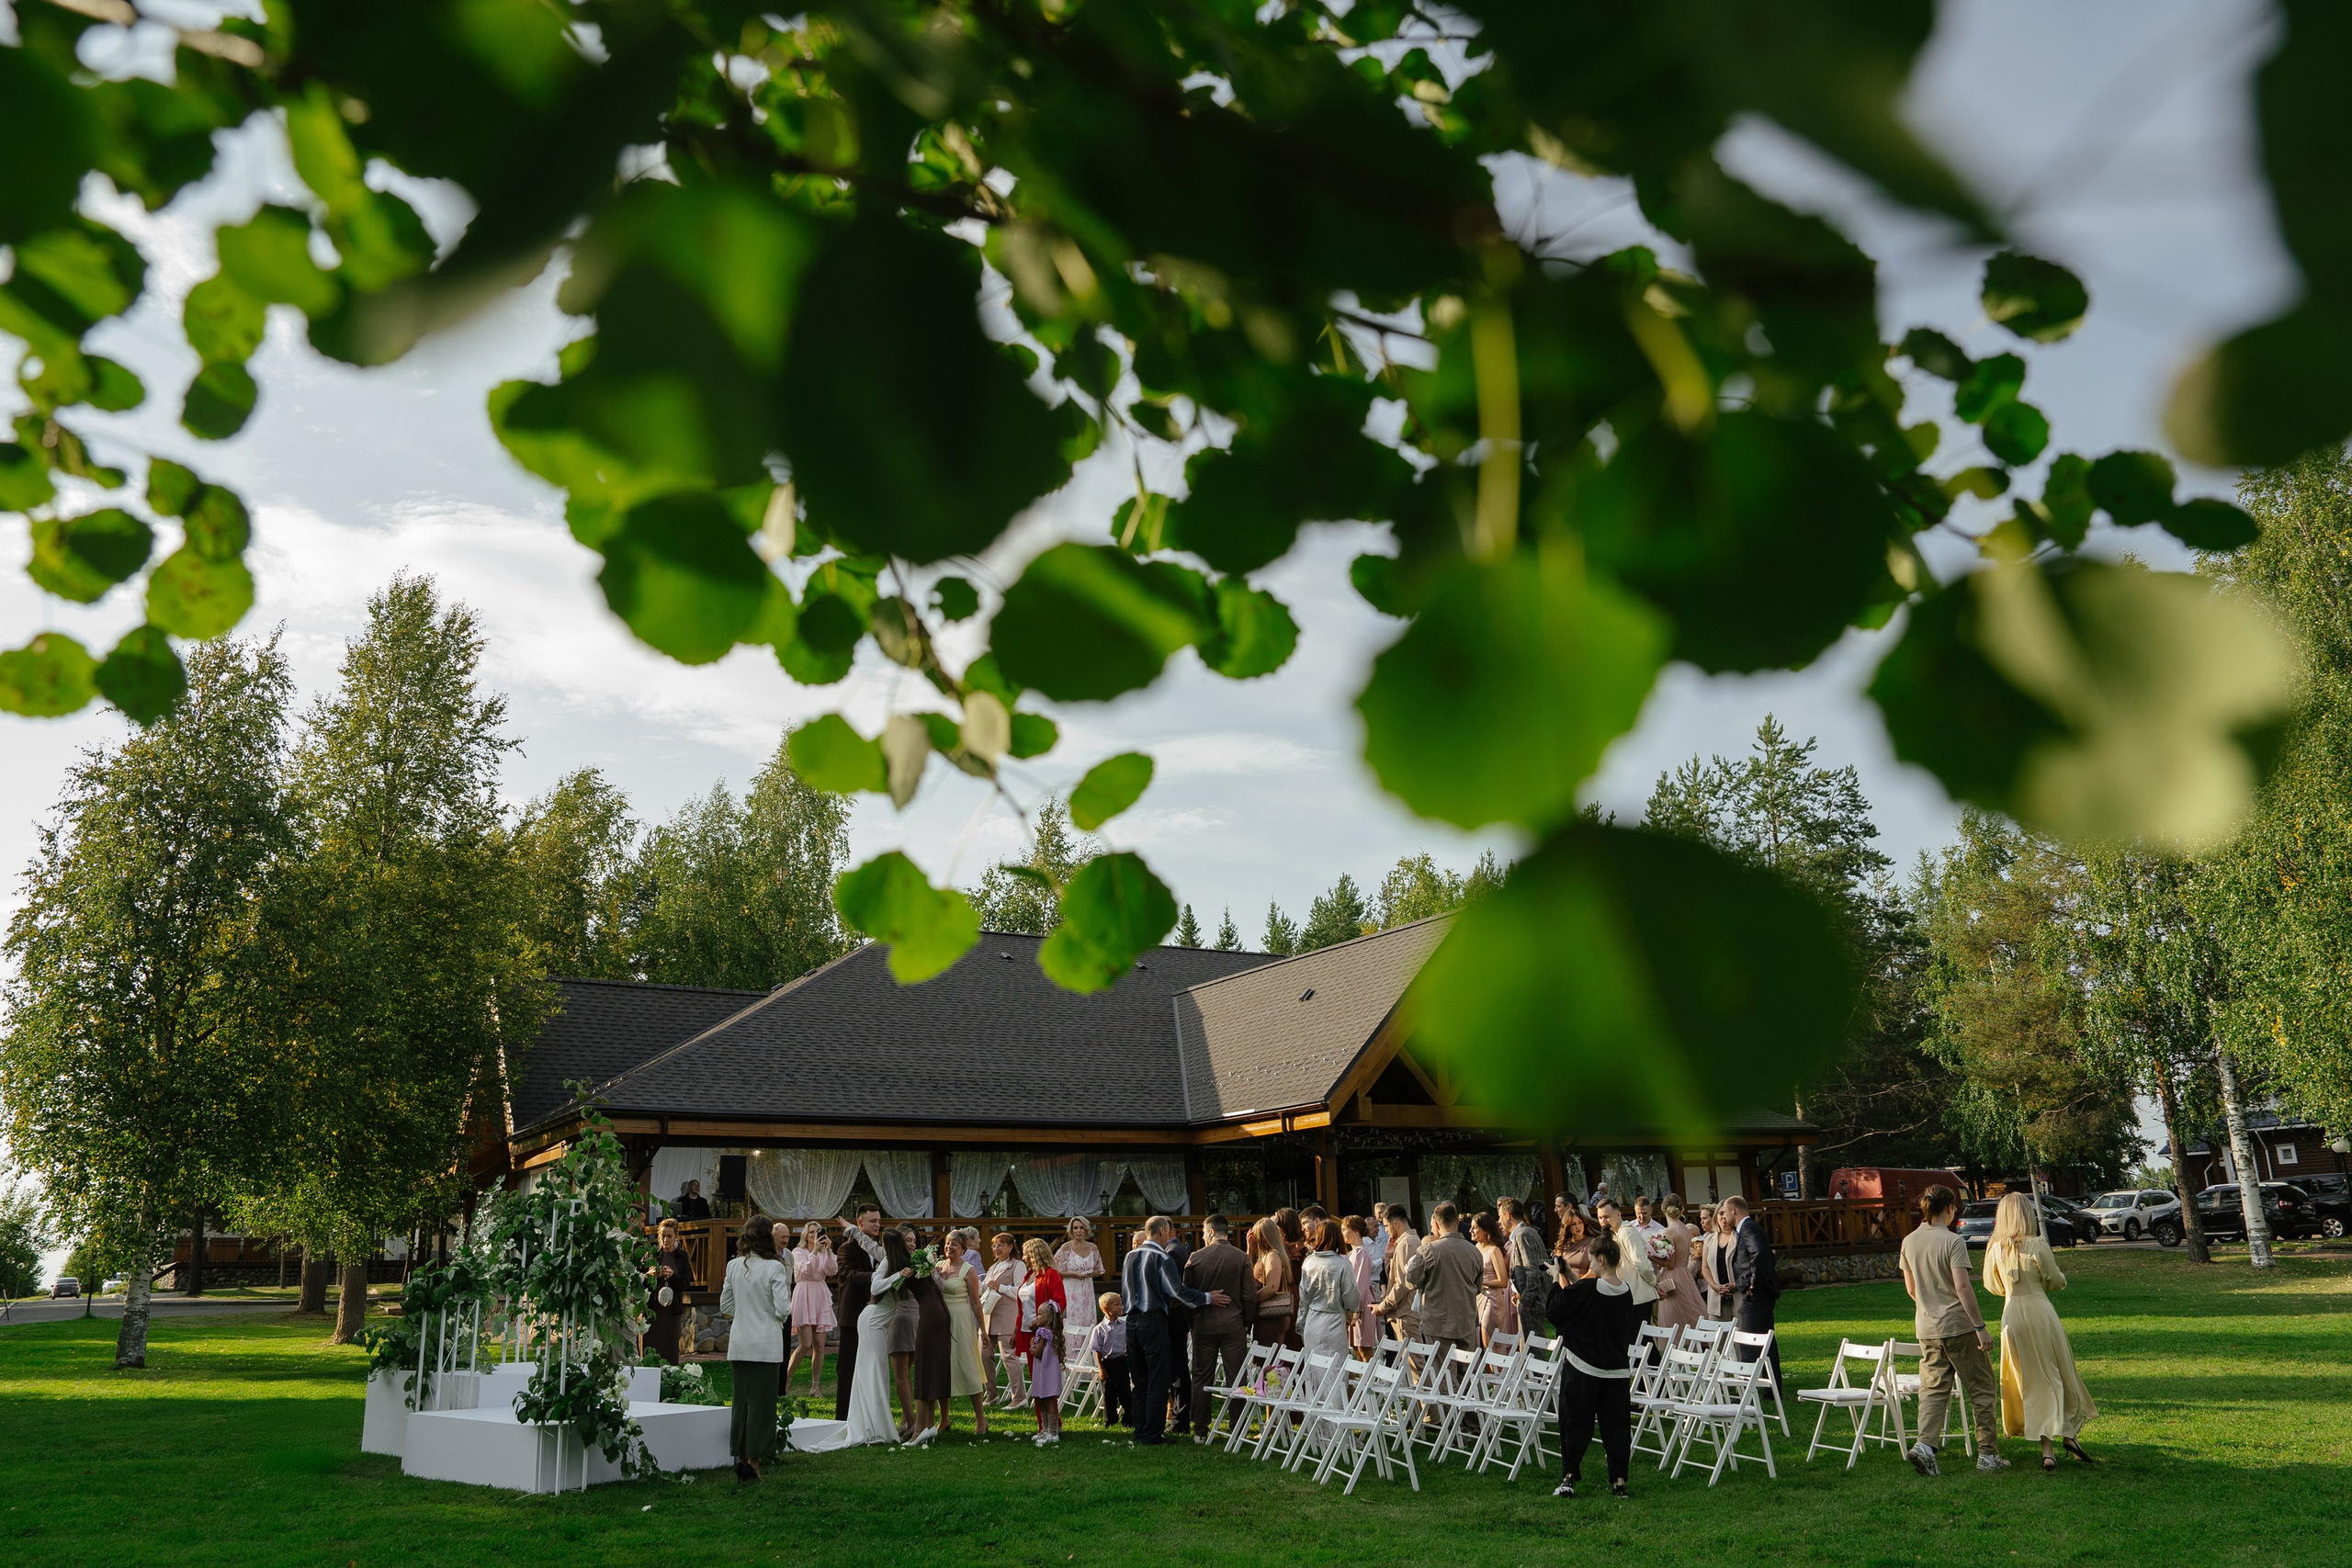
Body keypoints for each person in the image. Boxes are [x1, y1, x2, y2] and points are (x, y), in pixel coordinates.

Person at [1984, 1191, 2098, 1471]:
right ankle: (2068, 1434)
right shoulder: (2036, 1244)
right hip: (2039, 1312)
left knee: (2029, 1380)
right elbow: (2054, 1280)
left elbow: (1991, 1285)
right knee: (2058, 1371)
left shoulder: (1994, 1248)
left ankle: (2048, 1449)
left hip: (2012, 1314)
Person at [1898, 1185, 2003, 1476]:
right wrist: (1980, 1327)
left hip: (1926, 1328)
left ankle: (1924, 1446)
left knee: (1933, 1391)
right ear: (1949, 1209)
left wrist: (1931, 1307)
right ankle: (1987, 1455)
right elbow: (1962, 1287)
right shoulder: (1953, 1241)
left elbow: (1911, 1290)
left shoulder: (1909, 1241)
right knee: (1982, 1389)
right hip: (1958, 1327)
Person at [1545, 1234, 1641, 1499]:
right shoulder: (1625, 1292)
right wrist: (1570, 1275)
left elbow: (1555, 1309)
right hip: (1617, 1371)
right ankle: (1619, 1482)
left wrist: (1555, 1277)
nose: (1591, 1267)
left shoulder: (1589, 1289)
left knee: (1575, 1423)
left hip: (1584, 1368)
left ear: (1601, 1259)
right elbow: (1593, 1297)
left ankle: (1568, 1478)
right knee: (1617, 1427)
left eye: (1592, 1262)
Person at [1121, 1214, 1227, 1444]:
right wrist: (1207, 1297)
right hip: (1153, 1320)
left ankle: (1140, 1429)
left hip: (1131, 1321)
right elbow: (1177, 1291)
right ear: (1162, 1231)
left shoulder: (1129, 1256)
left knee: (1140, 1380)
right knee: (1158, 1379)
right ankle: (1152, 1433)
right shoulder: (1162, 1257)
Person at [720, 1214, 793, 1480]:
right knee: (762, 1406)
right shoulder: (775, 1267)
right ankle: (754, 1463)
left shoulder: (733, 1266)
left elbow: (725, 1306)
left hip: (740, 1344)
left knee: (741, 1403)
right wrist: (775, 1317)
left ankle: (741, 1458)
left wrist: (745, 1311)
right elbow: (783, 1307)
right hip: (765, 1345)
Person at [1184, 1213, 1257, 1436]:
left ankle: (1200, 1428)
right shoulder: (1241, 1257)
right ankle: (1237, 1426)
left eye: (1204, 1233)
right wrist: (1246, 1322)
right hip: (1233, 1324)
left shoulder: (1195, 1258)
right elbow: (1249, 1295)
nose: (1203, 1237)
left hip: (1203, 1324)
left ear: (1212, 1231)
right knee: (1236, 1377)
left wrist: (1192, 1322)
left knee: (1201, 1377)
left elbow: (1187, 1295)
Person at [842, 1228, 911, 1447]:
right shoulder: (888, 1262)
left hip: (878, 1323)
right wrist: (897, 1276)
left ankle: (875, 1423)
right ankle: (874, 1427)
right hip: (872, 1323)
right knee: (875, 1371)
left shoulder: (901, 1262)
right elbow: (875, 1285)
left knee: (877, 1372)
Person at [1402, 1201, 1484, 1375]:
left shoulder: (1428, 1250)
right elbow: (1477, 1287)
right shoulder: (1475, 1251)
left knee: (1444, 1374)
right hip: (1466, 1319)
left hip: (1438, 1321)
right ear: (1457, 1222)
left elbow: (1411, 1281)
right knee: (1467, 1373)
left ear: (1437, 1225)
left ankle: (1449, 1396)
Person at [1724, 1197, 1782, 1387]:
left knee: (1748, 1342)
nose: (1723, 1217)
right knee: (1767, 1342)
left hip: (1757, 1294)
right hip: (1763, 1293)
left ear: (1733, 1210)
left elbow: (1759, 1253)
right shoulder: (1749, 1228)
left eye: (1724, 1212)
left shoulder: (1748, 1228)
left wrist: (1753, 1283)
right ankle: (1772, 1389)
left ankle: (1746, 1391)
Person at [938, 1227, 989, 1436]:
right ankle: (944, 1419)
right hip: (941, 1320)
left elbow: (976, 1302)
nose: (949, 1247)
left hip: (961, 1319)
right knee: (942, 1367)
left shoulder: (968, 1270)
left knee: (967, 1364)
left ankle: (980, 1419)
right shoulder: (938, 1266)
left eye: (954, 1244)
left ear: (963, 1249)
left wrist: (983, 1330)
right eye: (947, 1243)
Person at [833, 1205, 884, 1415]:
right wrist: (879, 1277)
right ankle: (843, 1416)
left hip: (875, 1316)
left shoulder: (880, 1248)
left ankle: (867, 1413)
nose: (877, 1225)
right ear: (860, 1223)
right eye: (873, 1221)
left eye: (879, 1221)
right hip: (853, 1316)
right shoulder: (847, 1249)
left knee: (871, 1367)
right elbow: (851, 1275)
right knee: (848, 1368)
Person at [903, 1225, 951, 1444]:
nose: (912, 1244)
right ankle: (928, 1425)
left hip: (934, 1316)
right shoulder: (904, 1263)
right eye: (907, 1240)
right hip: (936, 1313)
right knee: (929, 1370)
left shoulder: (918, 1261)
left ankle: (921, 1428)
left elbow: (940, 1286)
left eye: (914, 1240)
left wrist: (932, 1268)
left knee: (925, 1370)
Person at [1297, 1218, 1362, 1359]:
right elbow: (1352, 1299)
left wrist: (1301, 1324)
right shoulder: (1343, 1264)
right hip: (1334, 1324)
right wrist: (1351, 1309)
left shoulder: (1308, 1262)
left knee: (1313, 1367)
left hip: (1312, 1321)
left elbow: (1303, 1298)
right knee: (1335, 1367)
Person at [786, 1220, 837, 1396]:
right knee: (805, 1344)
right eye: (811, 1232)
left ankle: (815, 1387)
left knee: (820, 1345)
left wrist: (828, 1250)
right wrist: (815, 1251)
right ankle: (785, 1381)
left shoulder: (824, 1253)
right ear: (806, 1235)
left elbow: (832, 1271)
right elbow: (807, 1270)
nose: (815, 1235)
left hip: (820, 1294)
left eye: (818, 1232)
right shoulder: (798, 1252)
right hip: (804, 1293)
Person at [983, 1232, 1028, 1407]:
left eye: (1000, 1245)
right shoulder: (993, 1267)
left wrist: (1000, 1287)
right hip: (988, 1316)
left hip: (1007, 1315)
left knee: (1008, 1356)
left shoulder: (1017, 1265)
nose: (996, 1249)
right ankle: (991, 1394)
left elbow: (1021, 1291)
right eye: (994, 1245)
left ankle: (1019, 1397)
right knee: (984, 1355)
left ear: (1010, 1247)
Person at [1599, 1200, 1658, 1332]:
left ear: (1618, 1215)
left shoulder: (1627, 1232)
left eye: (1607, 1216)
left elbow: (1642, 1265)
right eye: (1600, 1217)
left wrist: (1653, 1283)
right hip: (1627, 1297)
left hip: (1638, 1298)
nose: (1603, 1221)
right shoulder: (1614, 1234)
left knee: (1640, 1339)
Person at [1501, 1197, 1551, 1337]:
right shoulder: (1524, 1233)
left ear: (1507, 1215)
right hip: (1528, 1301)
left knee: (1533, 1347)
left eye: (1499, 1216)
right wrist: (1518, 1294)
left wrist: (1526, 1301)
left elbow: (1533, 1271)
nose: (1499, 1222)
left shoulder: (1524, 1235)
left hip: (1533, 1304)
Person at [646, 1217, 693, 1366]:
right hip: (653, 1309)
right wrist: (649, 1275)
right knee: (652, 1346)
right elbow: (640, 1280)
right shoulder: (652, 1254)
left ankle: (670, 1374)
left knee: (669, 1347)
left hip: (672, 1310)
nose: (665, 1240)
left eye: (669, 1236)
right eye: (662, 1236)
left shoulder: (682, 1256)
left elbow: (685, 1283)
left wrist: (673, 1276)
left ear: (676, 1236)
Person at [1375, 1205, 1422, 1345]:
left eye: (1386, 1226)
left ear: (1396, 1223)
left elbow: (1402, 1284)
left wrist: (1382, 1307)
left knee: (1412, 1358)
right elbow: (1394, 1277)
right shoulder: (1408, 1241)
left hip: (1405, 1313)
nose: (1385, 1230)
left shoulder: (1406, 1244)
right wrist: (1388, 1256)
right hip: (1405, 1312)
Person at [1654, 1197, 1702, 1332]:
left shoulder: (1669, 1231)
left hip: (1673, 1276)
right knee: (1688, 1315)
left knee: (1674, 1319)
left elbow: (1670, 1264)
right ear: (1681, 1209)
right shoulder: (1685, 1229)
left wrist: (1650, 1256)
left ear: (1663, 1209)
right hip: (1685, 1273)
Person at [1247, 1218, 1294, 1348]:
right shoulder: (1271, 1255)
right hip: (1269, 1317)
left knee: (1267, 1356)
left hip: (1271, 1318)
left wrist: (1252, 1299)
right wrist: (1250, 1251)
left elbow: (1272, 1287)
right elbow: (1247, 1275)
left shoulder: (1272, 1255)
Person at [1087, 1292, 1132, 1427]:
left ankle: (1129, 1419)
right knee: (1109, 1393)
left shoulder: (1124, 1325)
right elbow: (1098, 1350)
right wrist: (1101, 1368)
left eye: (1121, 1304)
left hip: (1122, 1361)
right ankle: (1110, 1420)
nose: (1120, 1307)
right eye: (1116, 1305)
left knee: (1125, 1391)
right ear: (1106, 1308)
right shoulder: (1099, 1329)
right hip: (1108, 1363)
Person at [1470, 1212, 1515, 1347]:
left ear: (1485, 1230)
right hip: (1479, 1297)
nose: (1470, 1230)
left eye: (1475, 1227)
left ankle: (1498, 1361)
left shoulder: (1494, 1250)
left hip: (1492, 1299)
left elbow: (1503, 1281)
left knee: (1489, 1337)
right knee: (1479, 1339)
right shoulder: (1476, 1248)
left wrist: (1481, 1282)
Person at [1055, 1218, 1106, 1336]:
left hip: (1087, 1290)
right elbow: (1056, 1270)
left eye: (1081, 1228)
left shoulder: (1093, 1248)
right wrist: (1074, 1274)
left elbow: (1099, 1270)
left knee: (1088, 1320)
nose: (1078, 1231)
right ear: (1071, 1230)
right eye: (1075, 1228)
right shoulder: (1066, 1248)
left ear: (1086, 1230)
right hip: (1071, 1290)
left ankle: (1089, 1346)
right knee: (1072, 1320)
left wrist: (1092, 1273)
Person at [1343, 1215, 1382, 1356]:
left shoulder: (1361, 1252)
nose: (1342, 1233)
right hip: (1355, 1302)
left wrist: (1355, 1308)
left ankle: (1369, 1371)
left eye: (1344, 1229)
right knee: (1356, 1347)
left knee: (1363, 1347)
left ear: (1355, 1232)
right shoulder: (1353, 1252)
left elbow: (1360, 1282)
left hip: (1362, 1303)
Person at [1028, 1299, 1065, 1445]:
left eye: (1040, 1314)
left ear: (1049, 1318)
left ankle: (1052, 1432)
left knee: (1048, 1399)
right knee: (1039, 1398)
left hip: (1047, 1370)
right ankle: (1046, 1429)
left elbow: (1037, 1353)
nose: (1037, 1317)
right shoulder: (1050, 1332)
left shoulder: (1043, 1332)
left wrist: (1032, 1344)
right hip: (1043, 1369)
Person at [1699, 1204, 1738, 1321]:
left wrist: (1736, 1285)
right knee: (1717, 1332)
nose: (1723, 1218)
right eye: (1720, 1214)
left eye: (1726, 1214)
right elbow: (1705, 1268)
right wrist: (1715, 1287)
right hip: (1717, 1298)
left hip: (1738, 1297)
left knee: (1740, 1331)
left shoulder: (1739, 1237)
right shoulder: (1709, 1240)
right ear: (1716, 1216)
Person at [1555, 1207, 1594, 1282]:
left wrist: (1577, 1286)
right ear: (1568, 1227)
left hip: (1585, 1284)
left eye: (1580, 1222)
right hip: (1565, 1285)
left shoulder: (1592, 1243)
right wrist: (1565, 1288)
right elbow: (1560, 1273)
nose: (1578, 1227)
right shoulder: (1562, 1245)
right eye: (1573, 1224)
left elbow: (1592, 1273)